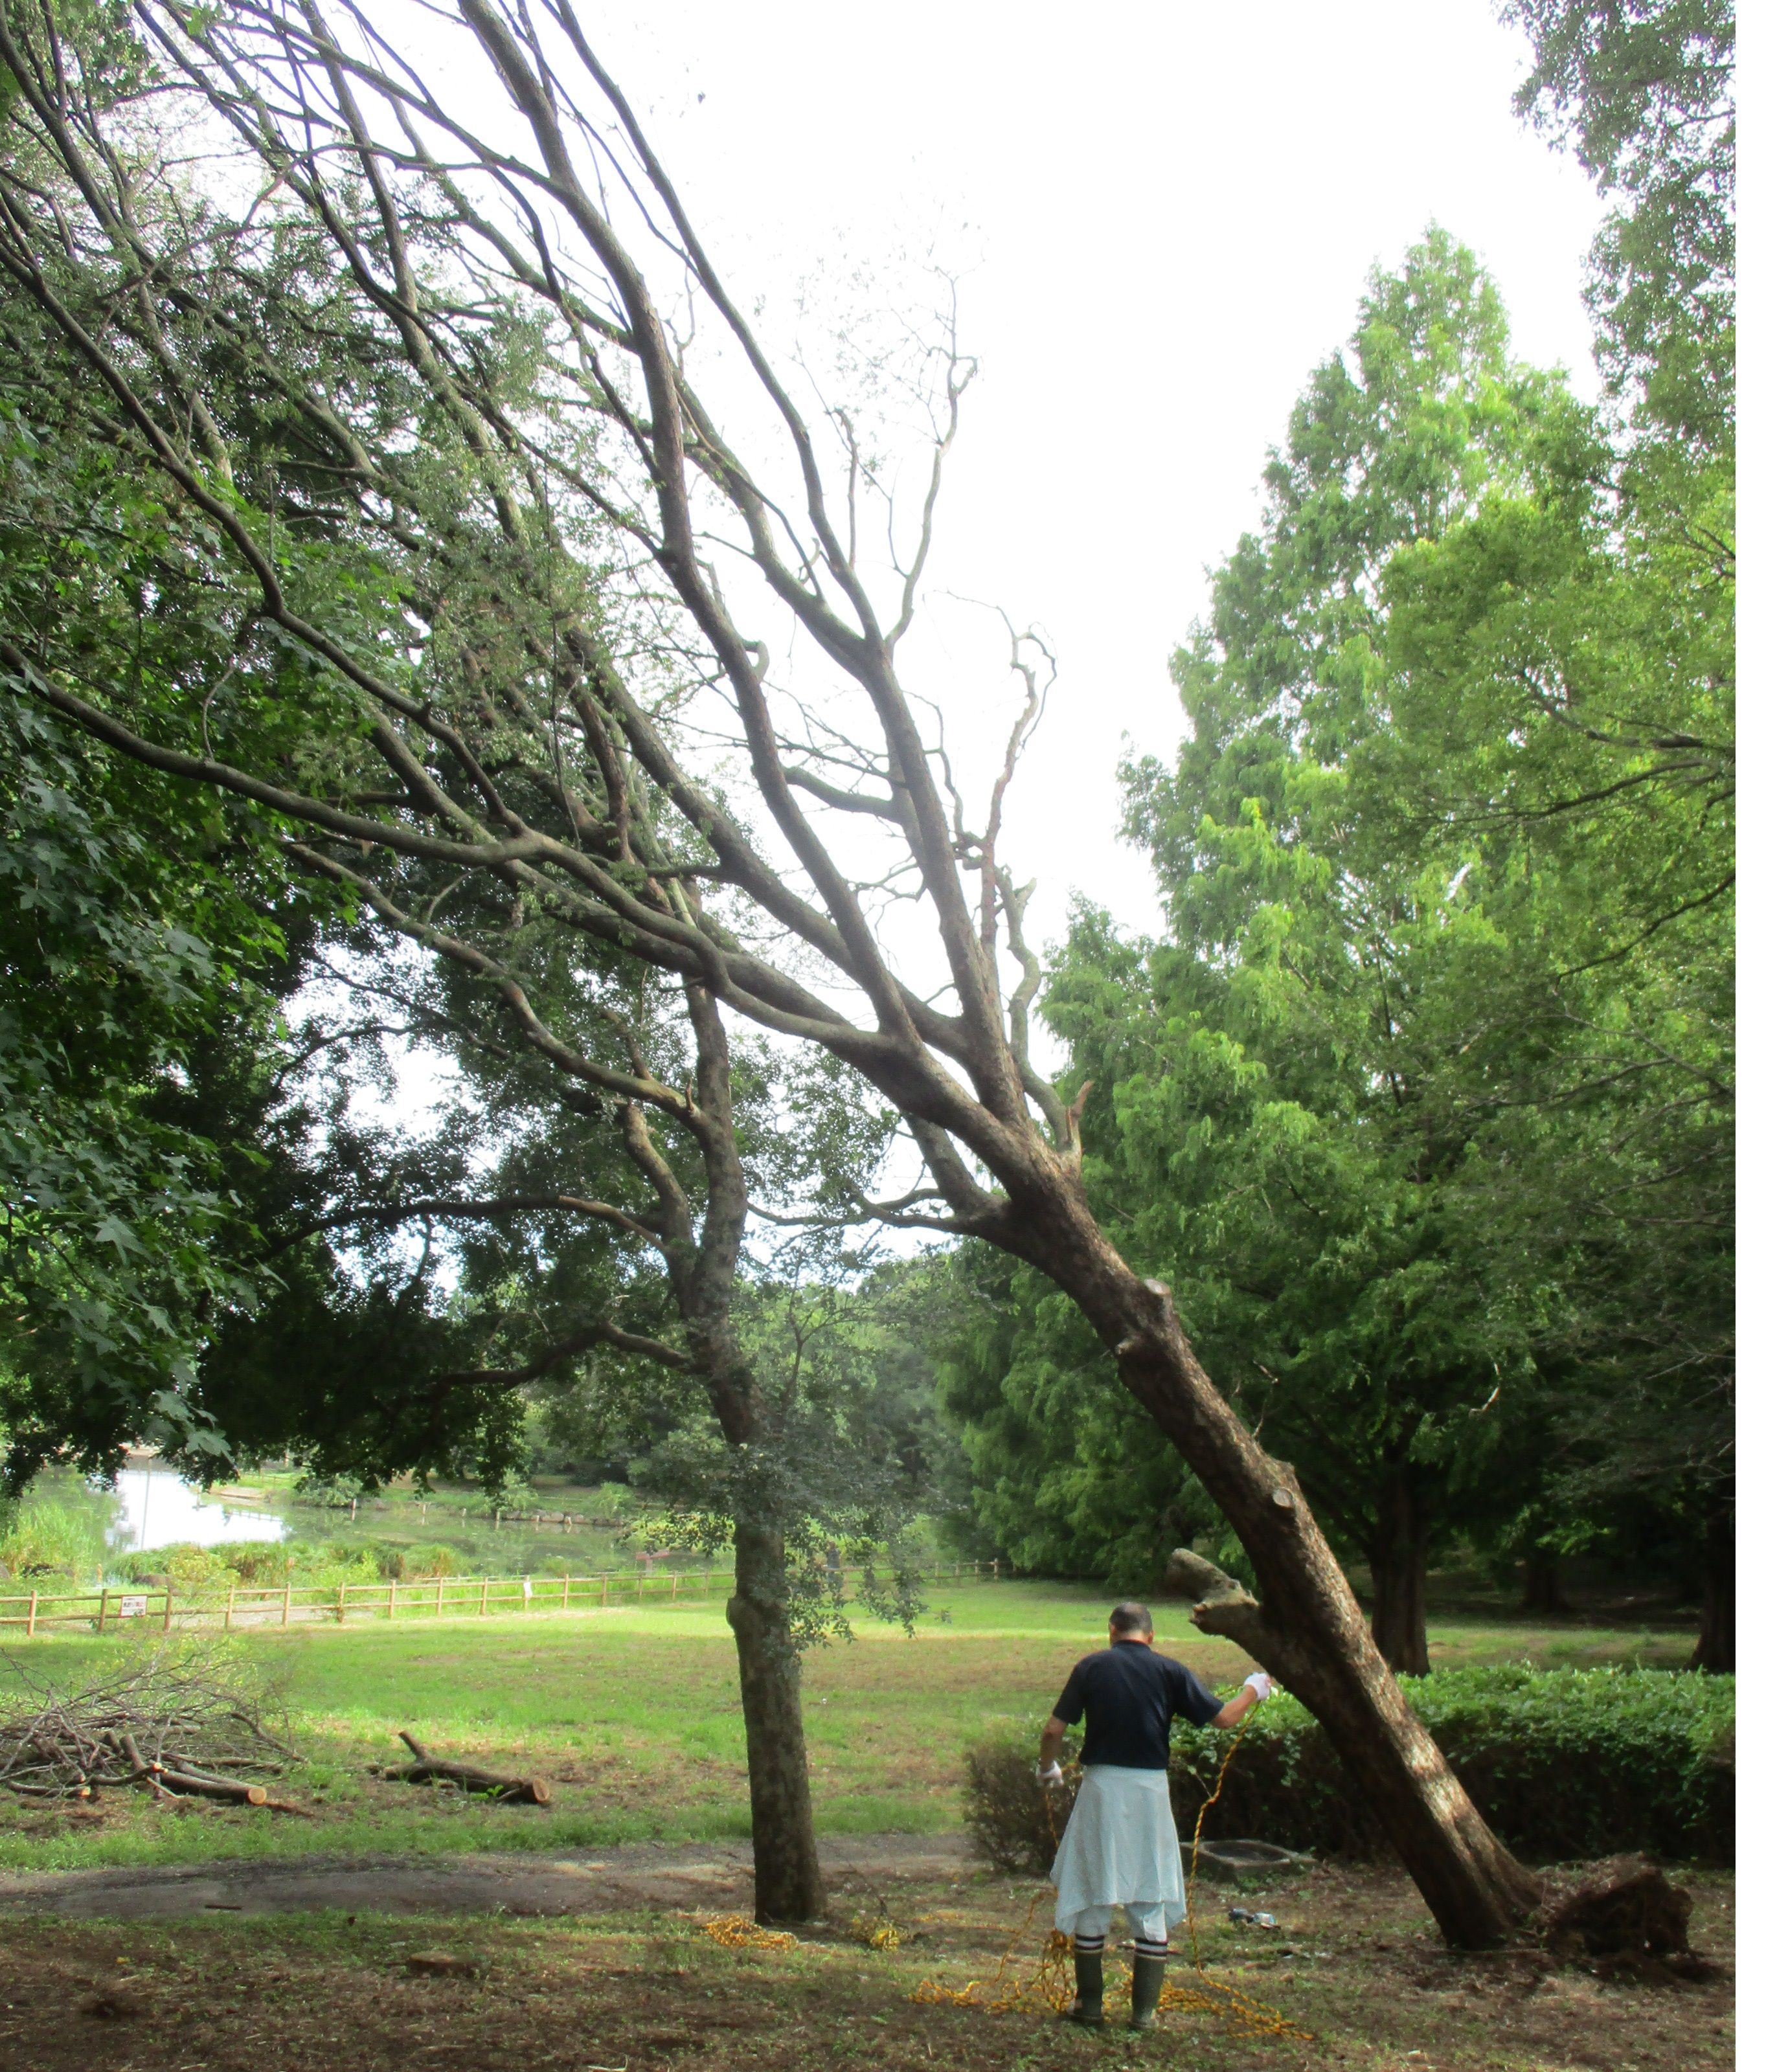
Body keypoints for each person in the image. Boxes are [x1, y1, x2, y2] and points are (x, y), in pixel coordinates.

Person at [1036, 1601, 1273, 2031]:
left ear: (1112, 1631)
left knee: (1092, 1888)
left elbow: (1053, 1730)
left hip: (1102, 1790)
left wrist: (1047, 1767)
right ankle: (1144, 2013)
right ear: (1151, 1637)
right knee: (1149, 1889)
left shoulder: (1090, 1667)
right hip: (1149, 1792)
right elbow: (1222, 1718)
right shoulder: (1171, 1671)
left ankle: (1089, 2006)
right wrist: (1255, 1689)